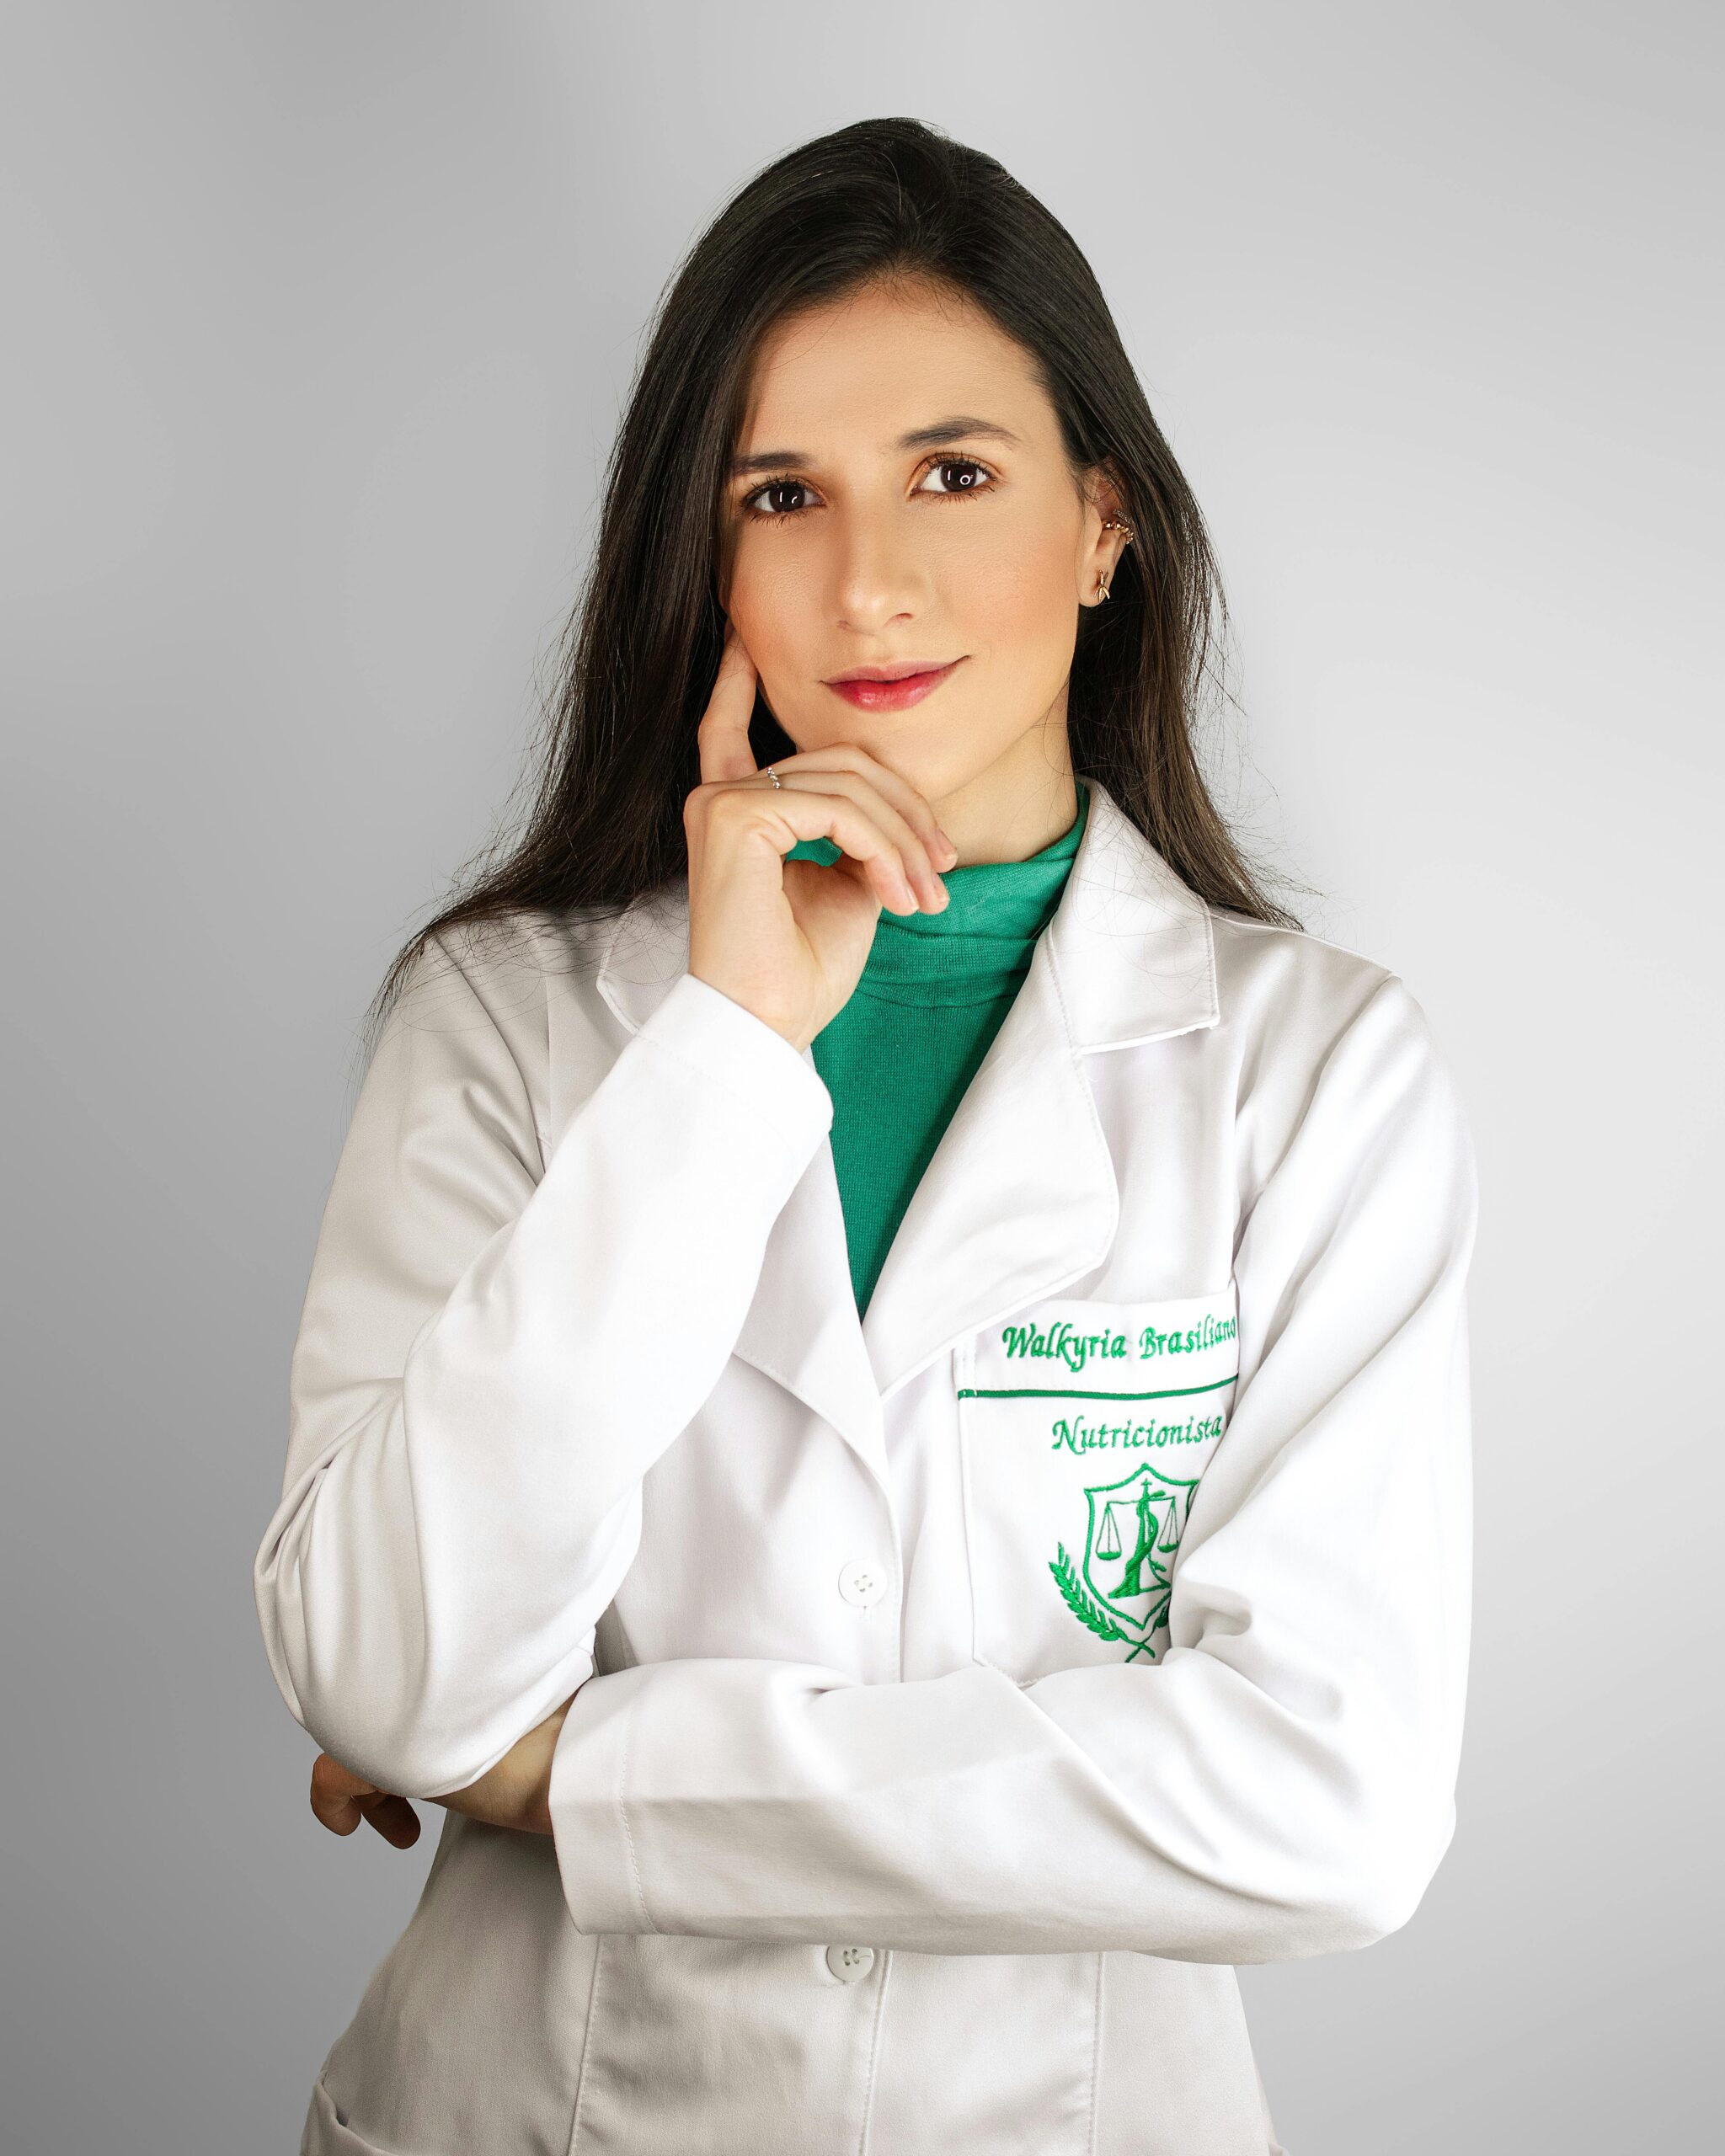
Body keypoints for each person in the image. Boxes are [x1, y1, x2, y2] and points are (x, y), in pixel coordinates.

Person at [253, 115, 1477, 2156]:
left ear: (1104, 523)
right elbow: (395, 1673)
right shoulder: (509, 1021)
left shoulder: (1316, 1072)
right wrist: (727, 1041)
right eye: (779, 492)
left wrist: (587, 1775)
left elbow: (1326, 1807)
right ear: (703, 551)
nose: (871, 577)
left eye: (953, 474)